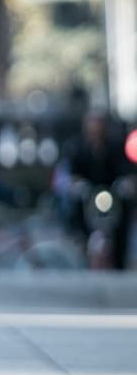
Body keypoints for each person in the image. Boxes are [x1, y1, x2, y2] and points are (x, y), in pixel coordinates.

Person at [65, 110, 134, 269]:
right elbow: (72, 175)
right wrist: (78, 185)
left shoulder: (115, 146)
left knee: (124, 212)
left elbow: (126, 171)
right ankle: (81, 243)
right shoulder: (78, 148)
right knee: (74, 209)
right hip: (88, 197)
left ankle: (119, 259)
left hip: (112, 195)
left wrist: (125, 184)